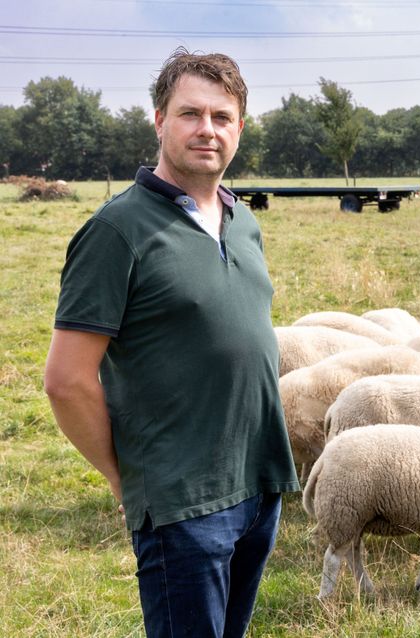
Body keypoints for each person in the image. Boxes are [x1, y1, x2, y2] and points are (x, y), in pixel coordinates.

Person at [43, 48, 300, 638]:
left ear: (240, 127)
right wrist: (126, 478)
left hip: (259, 484)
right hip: (182, 504)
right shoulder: (117, 231)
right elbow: (66, 380)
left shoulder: (242, 219)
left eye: (222, 116)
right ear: (159, 121)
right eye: (190, 113)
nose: (206, 130)